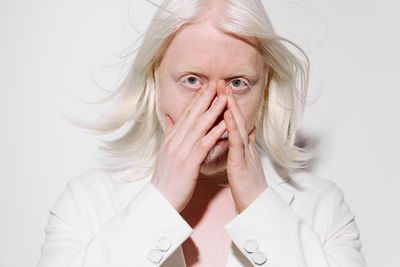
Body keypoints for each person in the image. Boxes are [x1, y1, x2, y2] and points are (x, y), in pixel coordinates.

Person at [37, 0, 367, 266]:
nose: (214, 107)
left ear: (264, 91)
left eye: (238, 83)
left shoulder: (323, 208)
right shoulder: (87, 203)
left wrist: (259, 205)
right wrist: (159, 201)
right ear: (156, 83)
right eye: (192, 80)